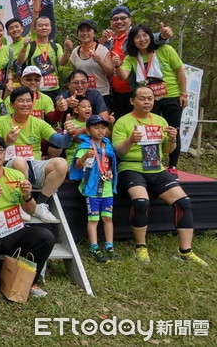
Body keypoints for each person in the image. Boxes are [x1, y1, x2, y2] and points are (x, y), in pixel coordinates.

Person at [112, 86, 206, 266]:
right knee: (141, 201)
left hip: (157, 168)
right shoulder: (123, 122)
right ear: (132, 101)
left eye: (150, 98)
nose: (147, 102)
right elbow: (118, 152)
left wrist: (172, 139)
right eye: (142, 98)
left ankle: (185, 251)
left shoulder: (160, 120)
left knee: (184, 202)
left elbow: (167, 150)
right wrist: (130, 140)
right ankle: (141, 246)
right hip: (131, 168)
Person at [0, 136, 55, 301]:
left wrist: (28, 196)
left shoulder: (16, 175)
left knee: (46, 236)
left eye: (0, 150)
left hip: (16, 228)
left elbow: (30, 209)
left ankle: (30, 282)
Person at [0, 87, 75, 223]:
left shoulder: (38, 122)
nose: (25, 104)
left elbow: (61, 142)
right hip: (8, 166)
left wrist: (69, 134)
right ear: (12, 104)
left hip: (33, 166)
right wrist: (6, 142)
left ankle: (40, 204)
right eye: (21, 101)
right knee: (19, 161)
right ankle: (22, 203)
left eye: (28, 101)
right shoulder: (0, 122)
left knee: (61, 163)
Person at [115, 24, 187, 176]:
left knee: (173, 131)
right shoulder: (131, 58)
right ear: (132, 41)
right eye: (137, 37)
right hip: (148, 100)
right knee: (149, 131)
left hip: (171, 95)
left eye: (145, 35)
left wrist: (184, 93)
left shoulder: (165, 50)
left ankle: (173, 166)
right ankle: (153, 162)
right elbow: (123, 76)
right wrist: (117, 65)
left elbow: (180, 70)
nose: (142, 39)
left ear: (151, 36)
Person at [99, 5, 173, 118]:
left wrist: (163, 36)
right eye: (115, 19)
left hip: (135, 89)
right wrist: (103, 41)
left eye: (123, 18)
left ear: (130, 20)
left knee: (139, 123)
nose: (119, 21)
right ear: (111, 23)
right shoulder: (110, 41)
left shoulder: (135, 36)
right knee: (119, 123)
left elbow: (153, 38)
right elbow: (99, 54)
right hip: (115, 92)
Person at [69, 115, 119, 263]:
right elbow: (77, 165)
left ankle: (109, 246)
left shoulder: (108, 145)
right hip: (92, 188)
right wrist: (85, 156)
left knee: (108, 217)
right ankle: (94, 247)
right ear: (88, 130)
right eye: (96, 127)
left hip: (107, 187)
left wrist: (109, 170)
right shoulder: (85, 146)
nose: (100, 130)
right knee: (93, 219)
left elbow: (109, 163)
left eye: (103, 127)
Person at [16, 16, 65, 101]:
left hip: (54, 88)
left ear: (50, 28)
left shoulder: (56, 47)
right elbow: (20, 61)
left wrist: (67, 50)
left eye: (46, 25)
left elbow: (62, 63)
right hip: (34, 89)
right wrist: (24, 47)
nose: (44, 27)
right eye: (40, 25)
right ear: (34, 29)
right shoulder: (30, 46)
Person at [69, 20, 114, 108]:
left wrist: (100, 61)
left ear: (94, 33)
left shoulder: (102, 50)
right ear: (78, 33)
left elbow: (111, 72)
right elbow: (74, 73)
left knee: (101, 120)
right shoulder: (75, 51)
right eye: (81, 30)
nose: (85, 33)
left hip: (101, 93)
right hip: (82, 93)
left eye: (88, 30)